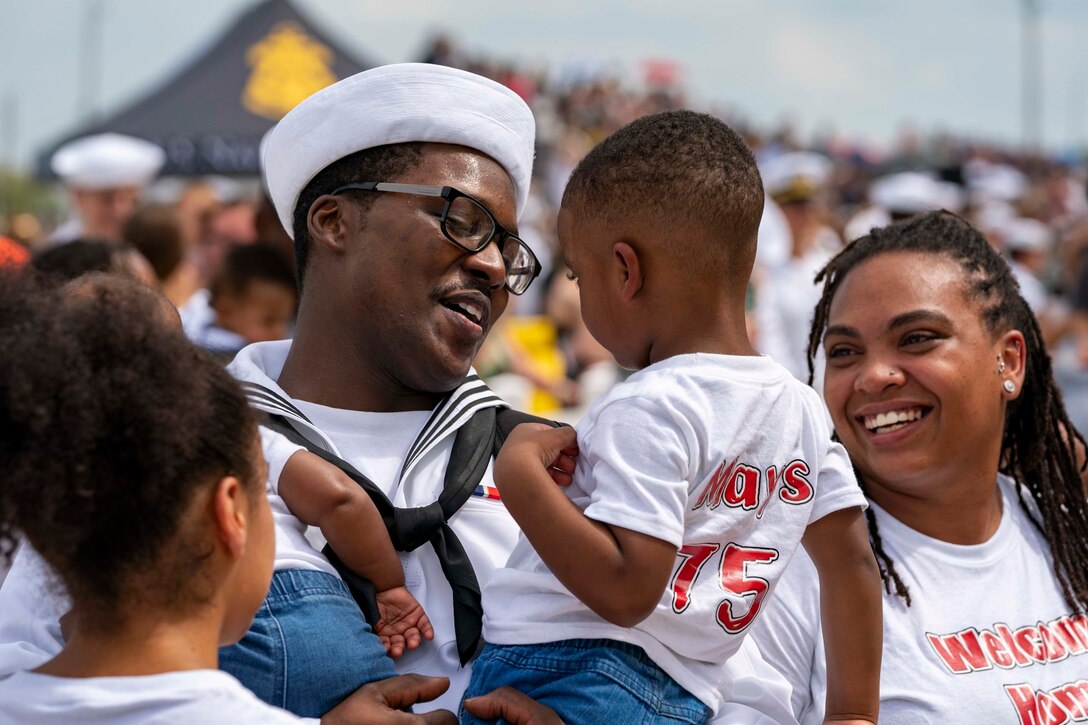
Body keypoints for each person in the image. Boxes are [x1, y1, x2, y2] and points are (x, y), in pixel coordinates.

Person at [0, 64, 798, 724]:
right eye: (462, 219)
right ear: (332, 221)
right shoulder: (155, 447)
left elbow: (743, 689)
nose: (492, 264)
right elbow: (32, 677)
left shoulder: (568, 460)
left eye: (509, 246)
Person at [464, 111, 882, 724]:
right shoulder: (800, 407)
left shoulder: (649, 403)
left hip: (563, 669)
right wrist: (852, 715)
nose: (579, 297)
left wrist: (520, 474)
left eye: (579, 275)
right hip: (683, 695)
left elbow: (627, 590)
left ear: (626, 272)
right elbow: (851, 567)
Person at [0, 271, 465, 723]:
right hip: (315, 624)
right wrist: (388, 585)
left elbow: (15, 646)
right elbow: (339, 498)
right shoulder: (229, 431)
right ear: (230, 513)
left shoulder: (54, 505)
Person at [751, 211, 1088, 724]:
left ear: (1010, 362)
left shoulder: (1064, 532)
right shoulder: (790, 567)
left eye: (916, 338)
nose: (873, 376)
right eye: (843, 351)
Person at [184, 243, 298, 360]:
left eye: (285, 320)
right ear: (225, 312)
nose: (279, 332)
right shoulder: (218, 356)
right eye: (269, 321)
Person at [48, 133, 165, 244]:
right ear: (78, 197)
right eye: (107, 199)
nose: (121, 210)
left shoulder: (153, 251)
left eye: (132, 200)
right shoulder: (58, 256)